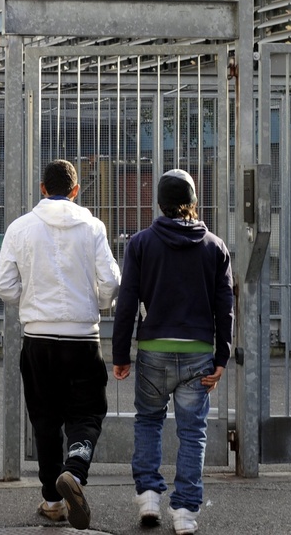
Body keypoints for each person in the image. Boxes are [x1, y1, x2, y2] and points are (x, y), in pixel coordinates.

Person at [0, 159, 120, 530]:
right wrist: (96, 303)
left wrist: (30, 301)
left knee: (44, 418)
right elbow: (111, 281)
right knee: (87, 412)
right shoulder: (92, 226)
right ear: (76, 190)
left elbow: (3, 285)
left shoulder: (20, 227)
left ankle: (52, 500)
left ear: (42, 188)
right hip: (82, 337)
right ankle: (75, 471)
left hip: (37, 338)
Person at [111, 169, 234, 535]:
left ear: (160, 203)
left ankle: (149, 496)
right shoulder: (215, 246)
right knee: (193, 432)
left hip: (153, 350)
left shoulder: (141, 244)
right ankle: (185, 513)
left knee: (149, 421)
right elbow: (225, 306)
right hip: (199, 353)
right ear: (193, 202)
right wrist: (222, 356)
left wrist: (121, 354)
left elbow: (127, 302)